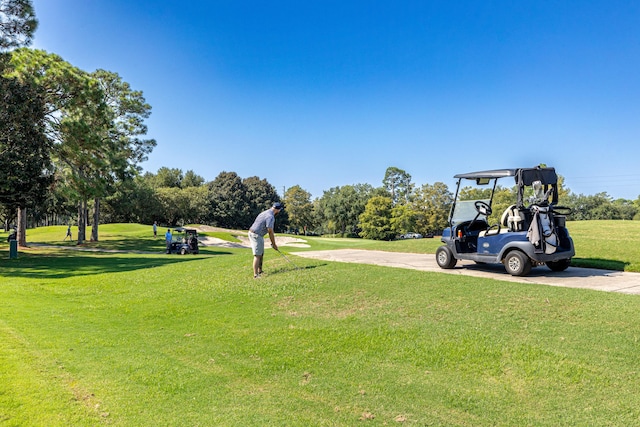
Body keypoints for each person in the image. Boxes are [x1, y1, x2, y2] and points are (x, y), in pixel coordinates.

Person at [248, 202, 284, 278]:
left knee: (261, 253)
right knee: (257, 255)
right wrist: (274, 244)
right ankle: (256, 275)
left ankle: (260, 271)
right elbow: (270, 231)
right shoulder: (270, 217)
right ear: (278, 210)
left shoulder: (265, 212)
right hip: (256, 235)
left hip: (255, 233)